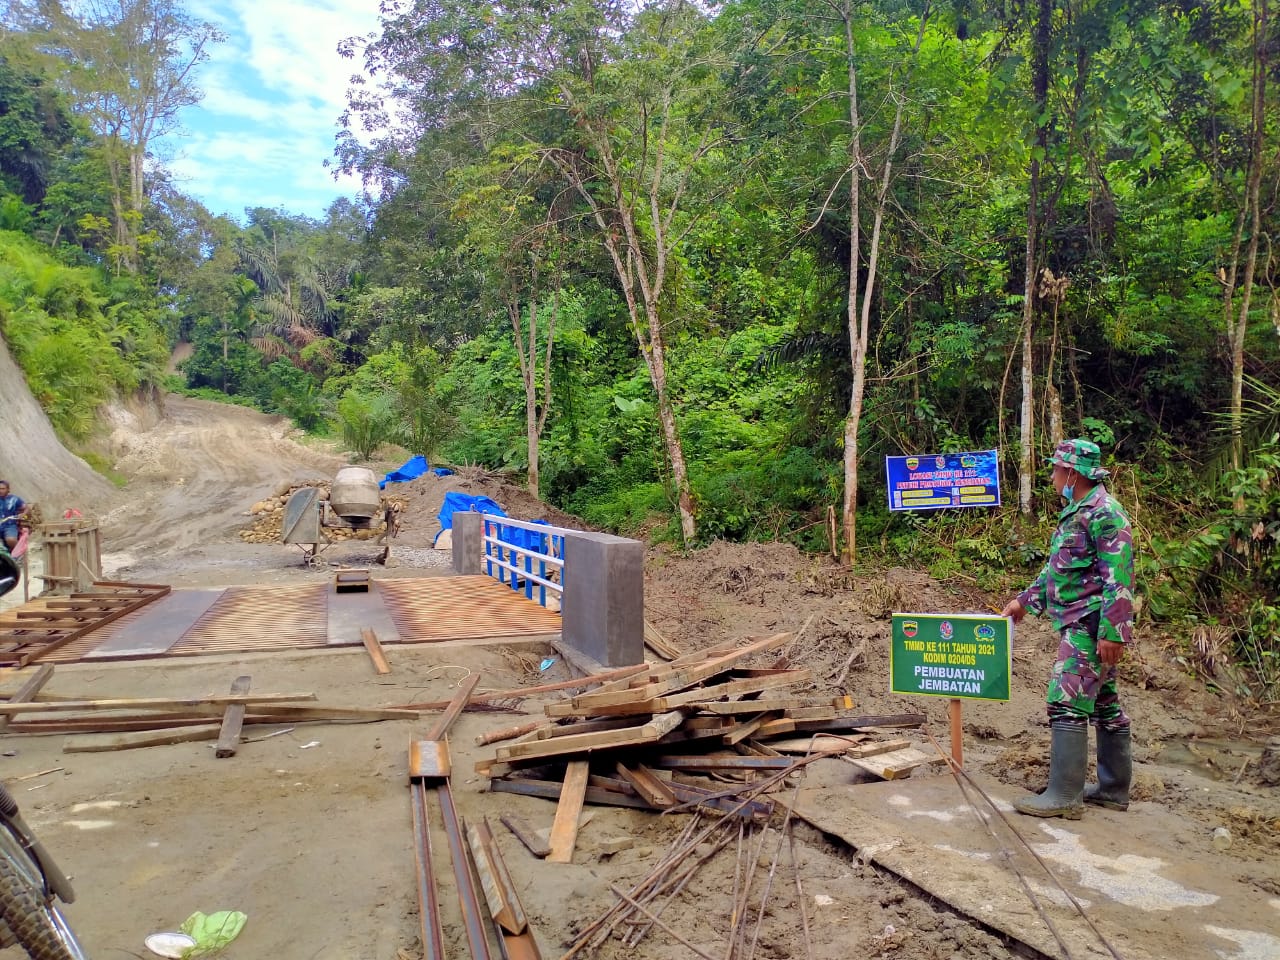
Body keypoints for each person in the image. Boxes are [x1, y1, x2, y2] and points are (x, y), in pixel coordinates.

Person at [1001, 439, 1135, 819]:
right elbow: (1059, 569)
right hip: (1083, 619)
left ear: (1072, 473)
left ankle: (1063, 796)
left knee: (1066, 701)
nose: (1052, 475)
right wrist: (1024, 602)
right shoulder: (1077, 511)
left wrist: (1114, 631)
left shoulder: (1105, 513)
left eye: (1056, 469)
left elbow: (1119, 577)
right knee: (1104, 703)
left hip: (1089, 623)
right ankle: (1112, 790)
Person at [0, 480, 25, 553]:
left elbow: (26, 508)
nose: (0, 491)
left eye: (3, 489)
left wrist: (22, 515)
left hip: (10, 525)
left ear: (8, 490)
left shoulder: (14, 499)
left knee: (11, 540)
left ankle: (19, 555)